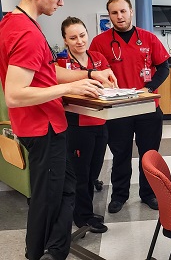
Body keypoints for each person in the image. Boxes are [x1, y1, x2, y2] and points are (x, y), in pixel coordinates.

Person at [0, 0, 116, 260]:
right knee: (49, 198)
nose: (61, 1)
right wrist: (69, 89)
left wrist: (91, 74)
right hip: (42, 129)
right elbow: (14, 94)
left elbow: (47, 73)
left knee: (64, 190)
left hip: (49, 125)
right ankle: (40, 253)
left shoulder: (18, 23)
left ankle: (55, 249)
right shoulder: (25, 32)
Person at [89, 0, 170, 212]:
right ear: (110, 16)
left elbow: (164, 67)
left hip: (147, 107)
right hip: (118, 110)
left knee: (149, 154)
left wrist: (150, 88)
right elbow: (94, 73)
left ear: (131, 12)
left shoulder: (148, 38)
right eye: (114, 13)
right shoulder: (99, 42)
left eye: (123, 11)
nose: (120, 16)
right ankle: (119, 195)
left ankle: (148, 194)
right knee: (120, 154)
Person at [60, 16, 111, 233]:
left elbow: (108, 84)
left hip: (100, 122)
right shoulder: (61, 64)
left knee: (93, 172)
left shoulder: (98, 58)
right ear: (65, 41)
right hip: (77, 126)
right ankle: (83, 217)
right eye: (73, 37)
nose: (79, 41)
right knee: (81, 174)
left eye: (82, 35)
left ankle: (85, 210)